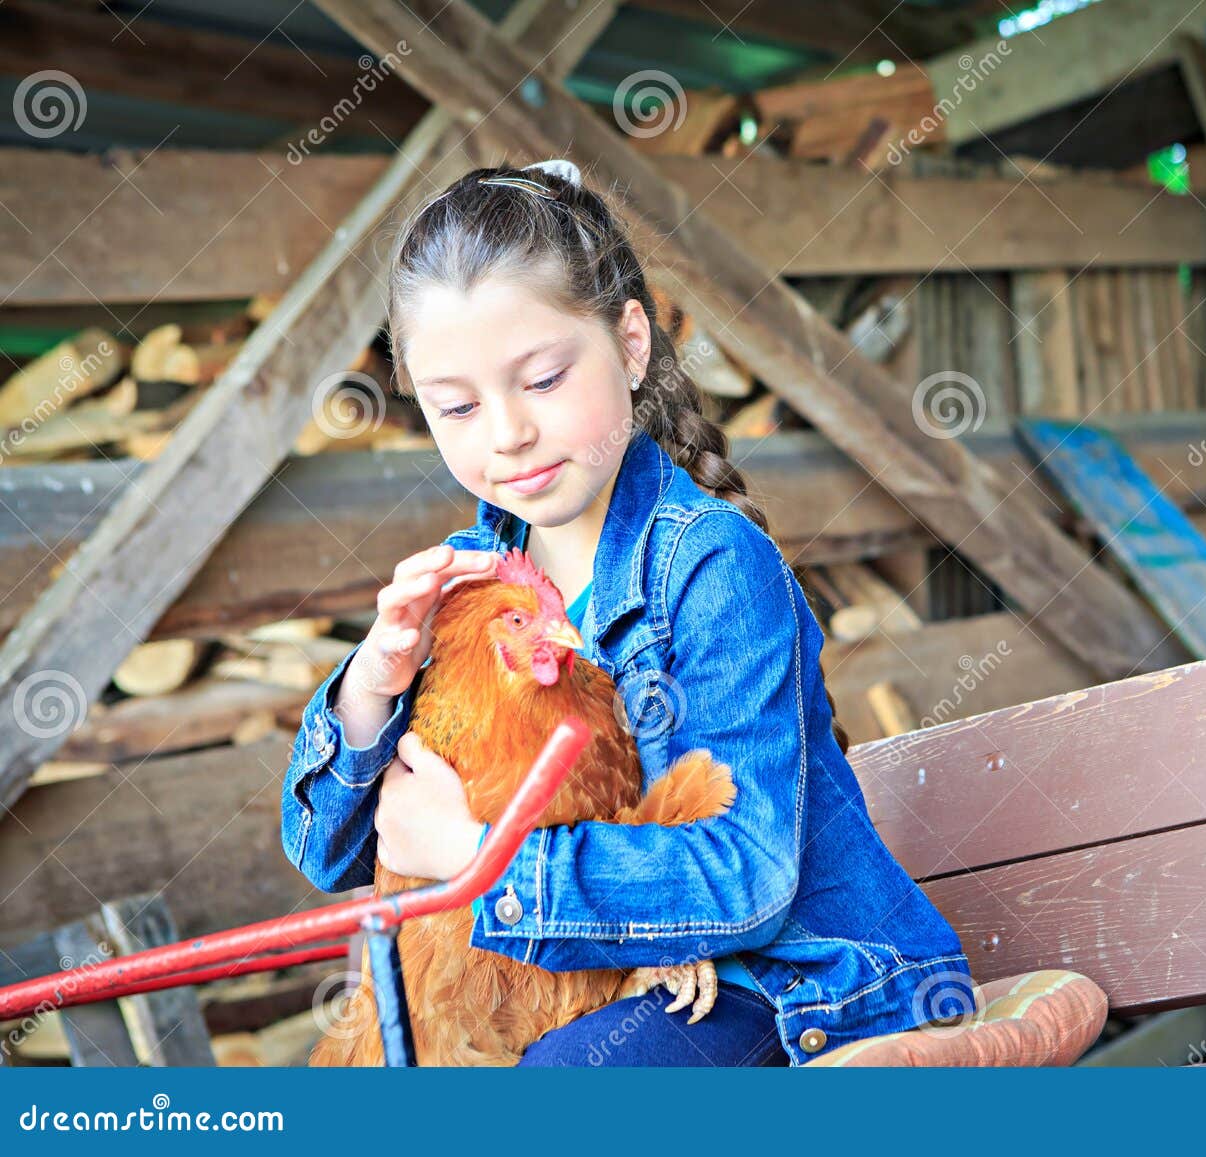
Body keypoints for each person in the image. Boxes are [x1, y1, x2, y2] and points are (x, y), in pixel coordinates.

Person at [281, 157, 974, 1067]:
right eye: (456, 405)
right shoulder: (477, 586)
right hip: (608, 978)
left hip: (787, 982)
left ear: (632, 342)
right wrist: (372, 683)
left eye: (543, 380)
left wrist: (471, 854)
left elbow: (748, 884)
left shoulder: (712, 564)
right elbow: (327, 854)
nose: (506, 434)